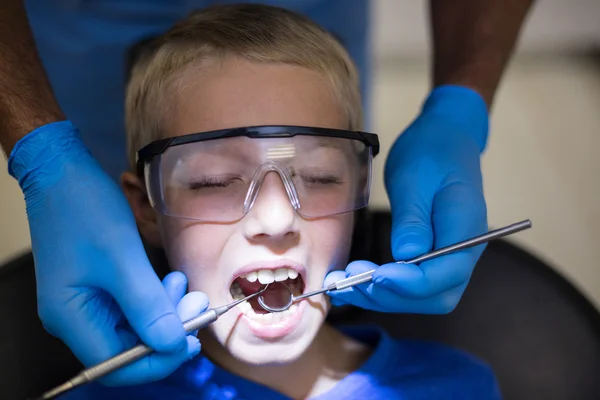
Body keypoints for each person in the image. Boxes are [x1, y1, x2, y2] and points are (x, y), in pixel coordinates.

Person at [0, 0, 534, 387]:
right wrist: (45, 158)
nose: (276, 219)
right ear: (143, 206)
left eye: (322, 176)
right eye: (213, 181)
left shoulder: (456, 386)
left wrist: (458, 111)